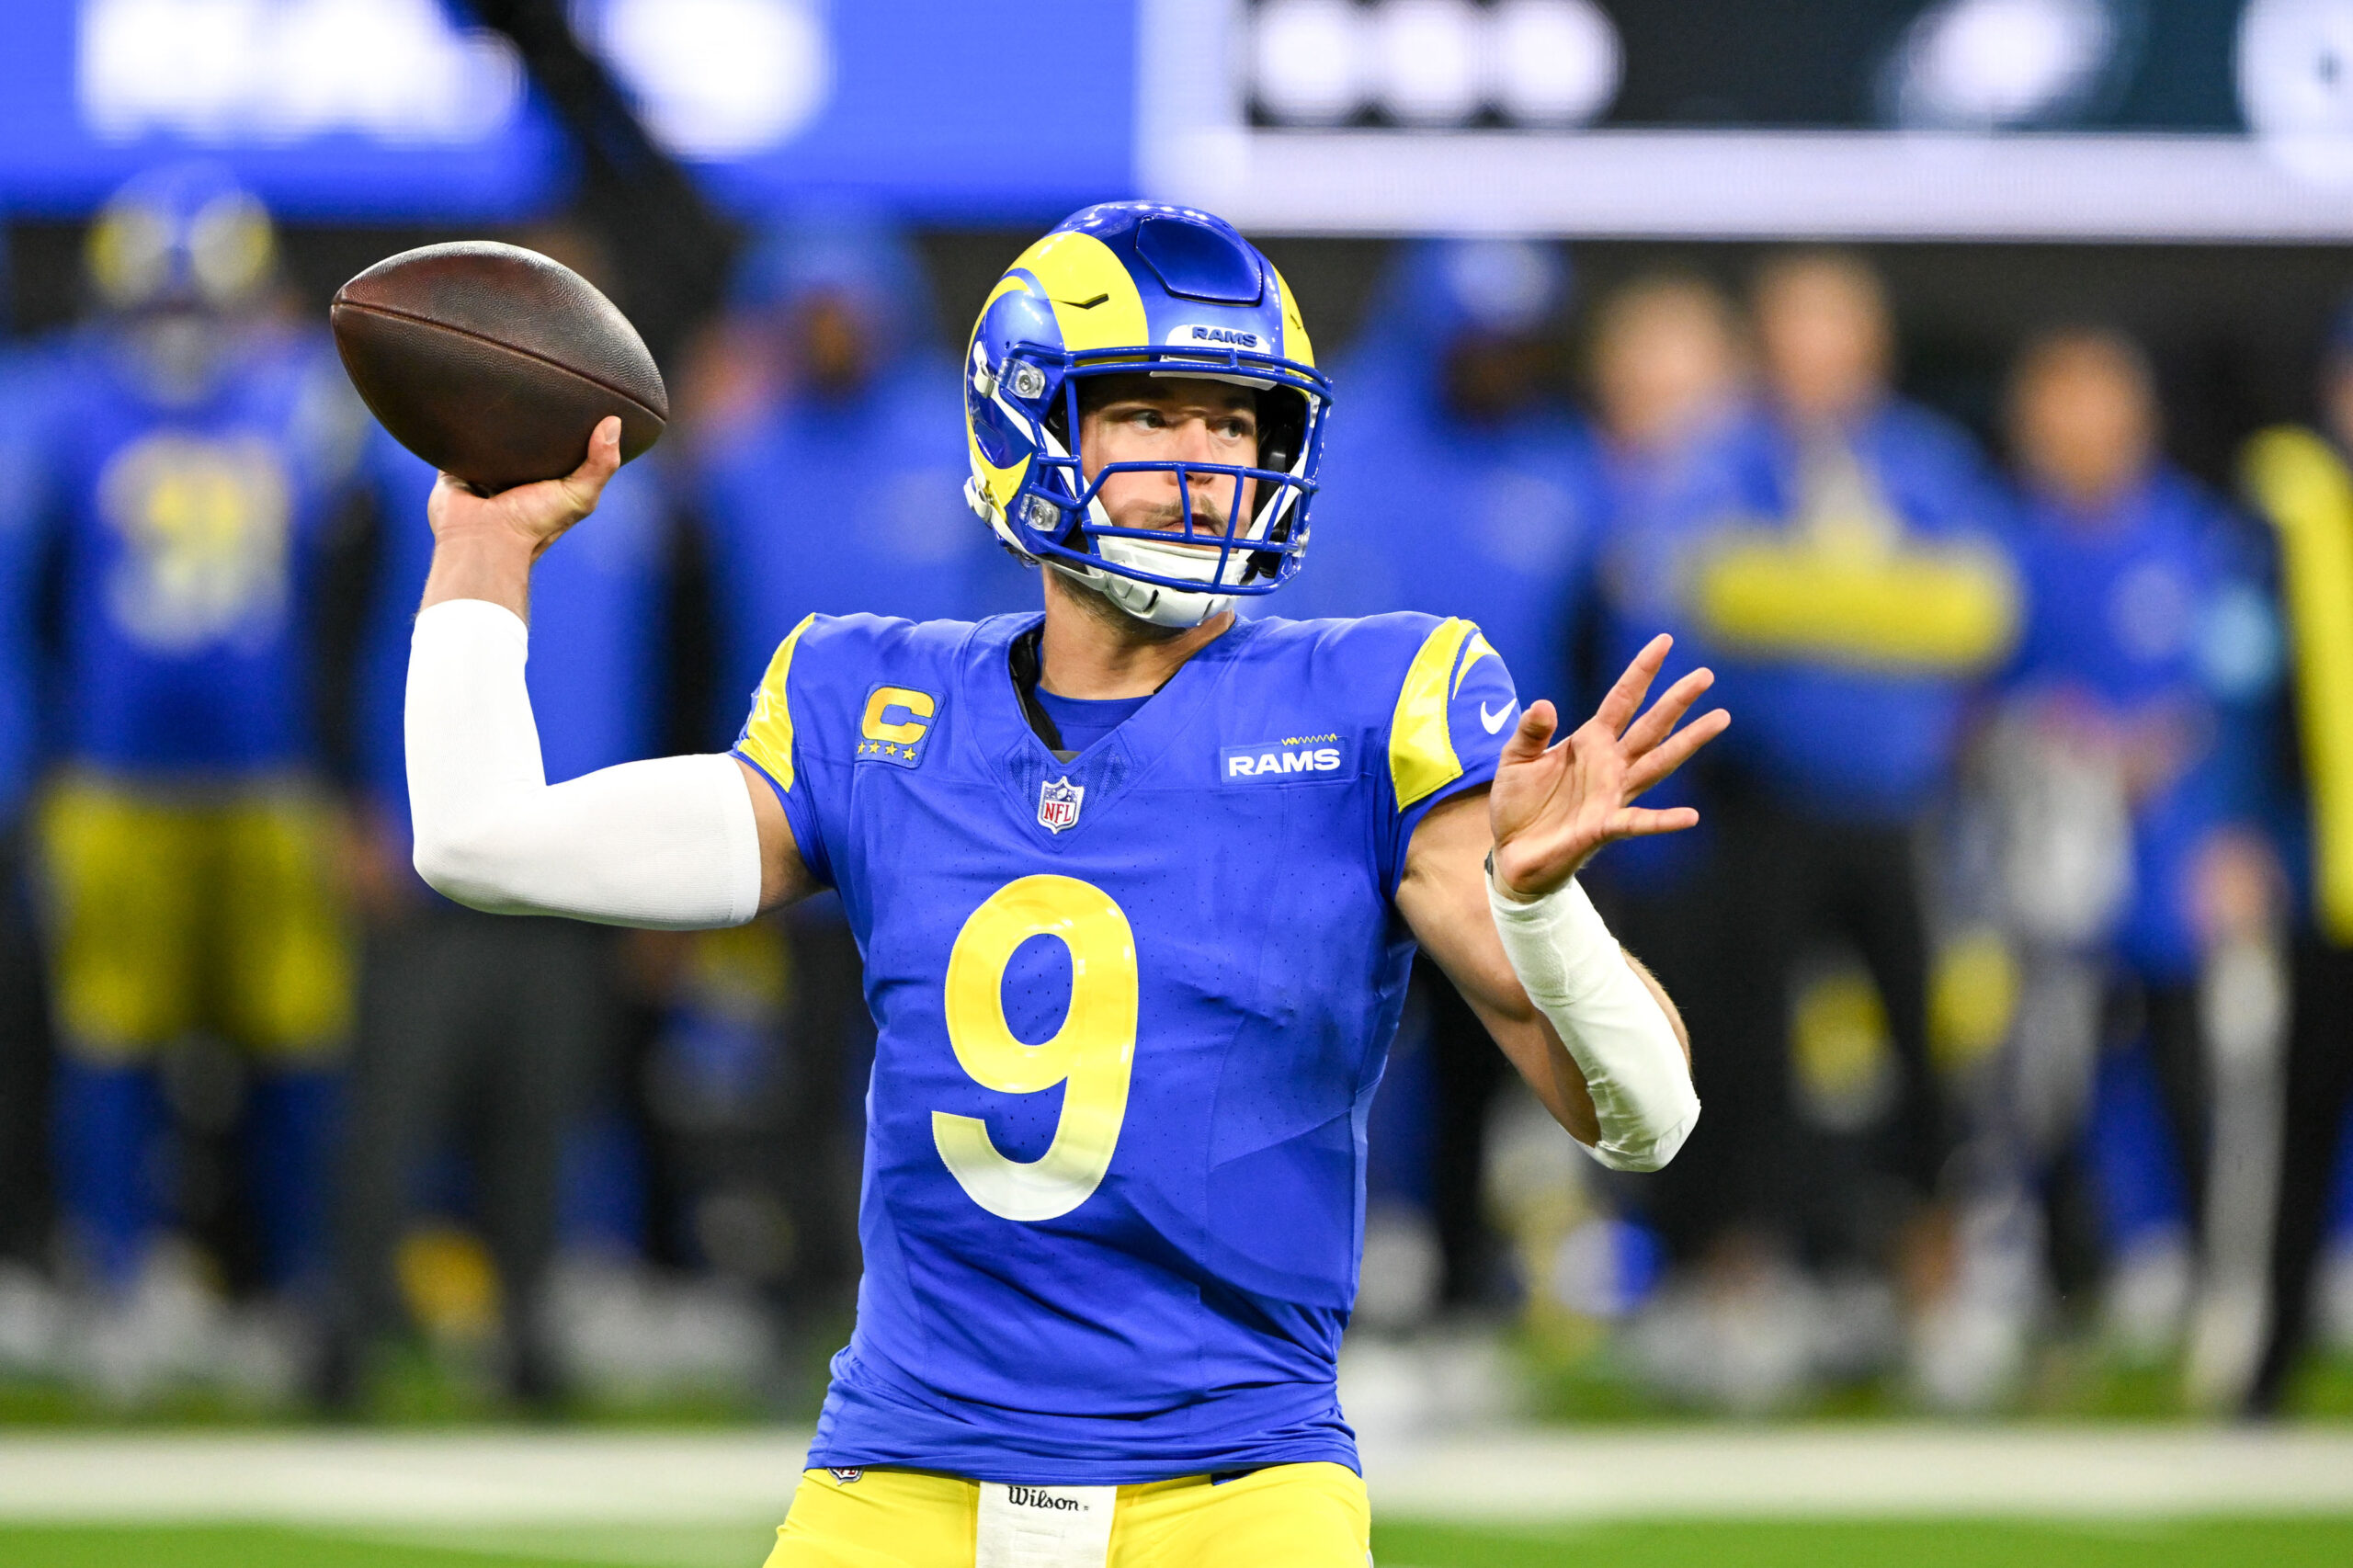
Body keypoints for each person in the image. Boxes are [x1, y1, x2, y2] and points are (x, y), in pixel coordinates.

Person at [400, 203, 1716, 1564]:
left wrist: (1545, 909)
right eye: (1150, 415)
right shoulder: (874, 698)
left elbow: (1649, 1120)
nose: (1206, 464)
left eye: (1237, 422)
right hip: (904, 1468)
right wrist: (484, 545)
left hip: (1237, 1478)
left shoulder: (1373, 705)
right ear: (1027, 423)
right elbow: (480, 839)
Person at [32, 164, 367, 1395]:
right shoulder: (67, 410)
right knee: (111, 1046)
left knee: (296, 1049)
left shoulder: (307, 410)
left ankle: (289, 1291)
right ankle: (121, 1285)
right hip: (119, 781)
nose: (177, 320)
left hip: (273, 780)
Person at [690, 217, 1030, 1316]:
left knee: (943, 1074)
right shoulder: (738, 463)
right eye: (812, 313)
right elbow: (693, 641)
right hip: (788, 814)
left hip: (943, 828)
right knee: (789, 1079)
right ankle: (799, 1302)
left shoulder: (961, 442)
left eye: (848, 311)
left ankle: (949, 1300)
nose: (833, 334)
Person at [1685, 252, 2016, 1355]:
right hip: (1765, 800)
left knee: (1924, 1053)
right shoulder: (1724, 458)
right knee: (1744, 1048)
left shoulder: (1923, 458)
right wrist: (1891, 603)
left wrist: (1792, 595)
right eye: (1796, 331)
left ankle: (1934, 1289)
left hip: (1896, 807)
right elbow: (1702, 590)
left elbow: (1980, 610)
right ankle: (1747, 1285)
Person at [328, 382, 674, 1408]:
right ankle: (347, 1343)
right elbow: (326, 636)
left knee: (540, 1126)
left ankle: (528, 1346)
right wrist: (345, 803)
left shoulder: (645, 503)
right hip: (421, 871)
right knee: (390, 1117)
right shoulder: (397, 487)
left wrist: (650, 864)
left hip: (574, 873)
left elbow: (677, 673)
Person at [1287, 237, 1605, 1317]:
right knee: (1326, 1050)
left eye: (1516, 342)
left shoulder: (1562, 468)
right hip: (1330, 812)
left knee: (1490, 1043)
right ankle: (1326, 1273)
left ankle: (1469, 1282)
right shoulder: (1338, 449)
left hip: (1490, 819)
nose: (1494, 362)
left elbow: (1591, 647)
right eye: (1476, 339)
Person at [1994, 327, 2282, 1362]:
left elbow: (2244, 684)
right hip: (2048, 863)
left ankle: (2218, 1273)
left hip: (2172, 858)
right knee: (2047, 1075)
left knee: (2190, 1067)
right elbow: (1971, 700)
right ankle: (2069, 1278)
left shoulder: (2197, 536)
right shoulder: (2009, 545)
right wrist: (2045, 740)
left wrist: (2174, 758)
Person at [2237, 301, 2353, 1414]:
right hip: (2326, 879)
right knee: (2301, 1129)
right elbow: (2243, 688)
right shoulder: (2286, 508)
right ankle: (2269, 1361)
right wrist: (2239, 835)